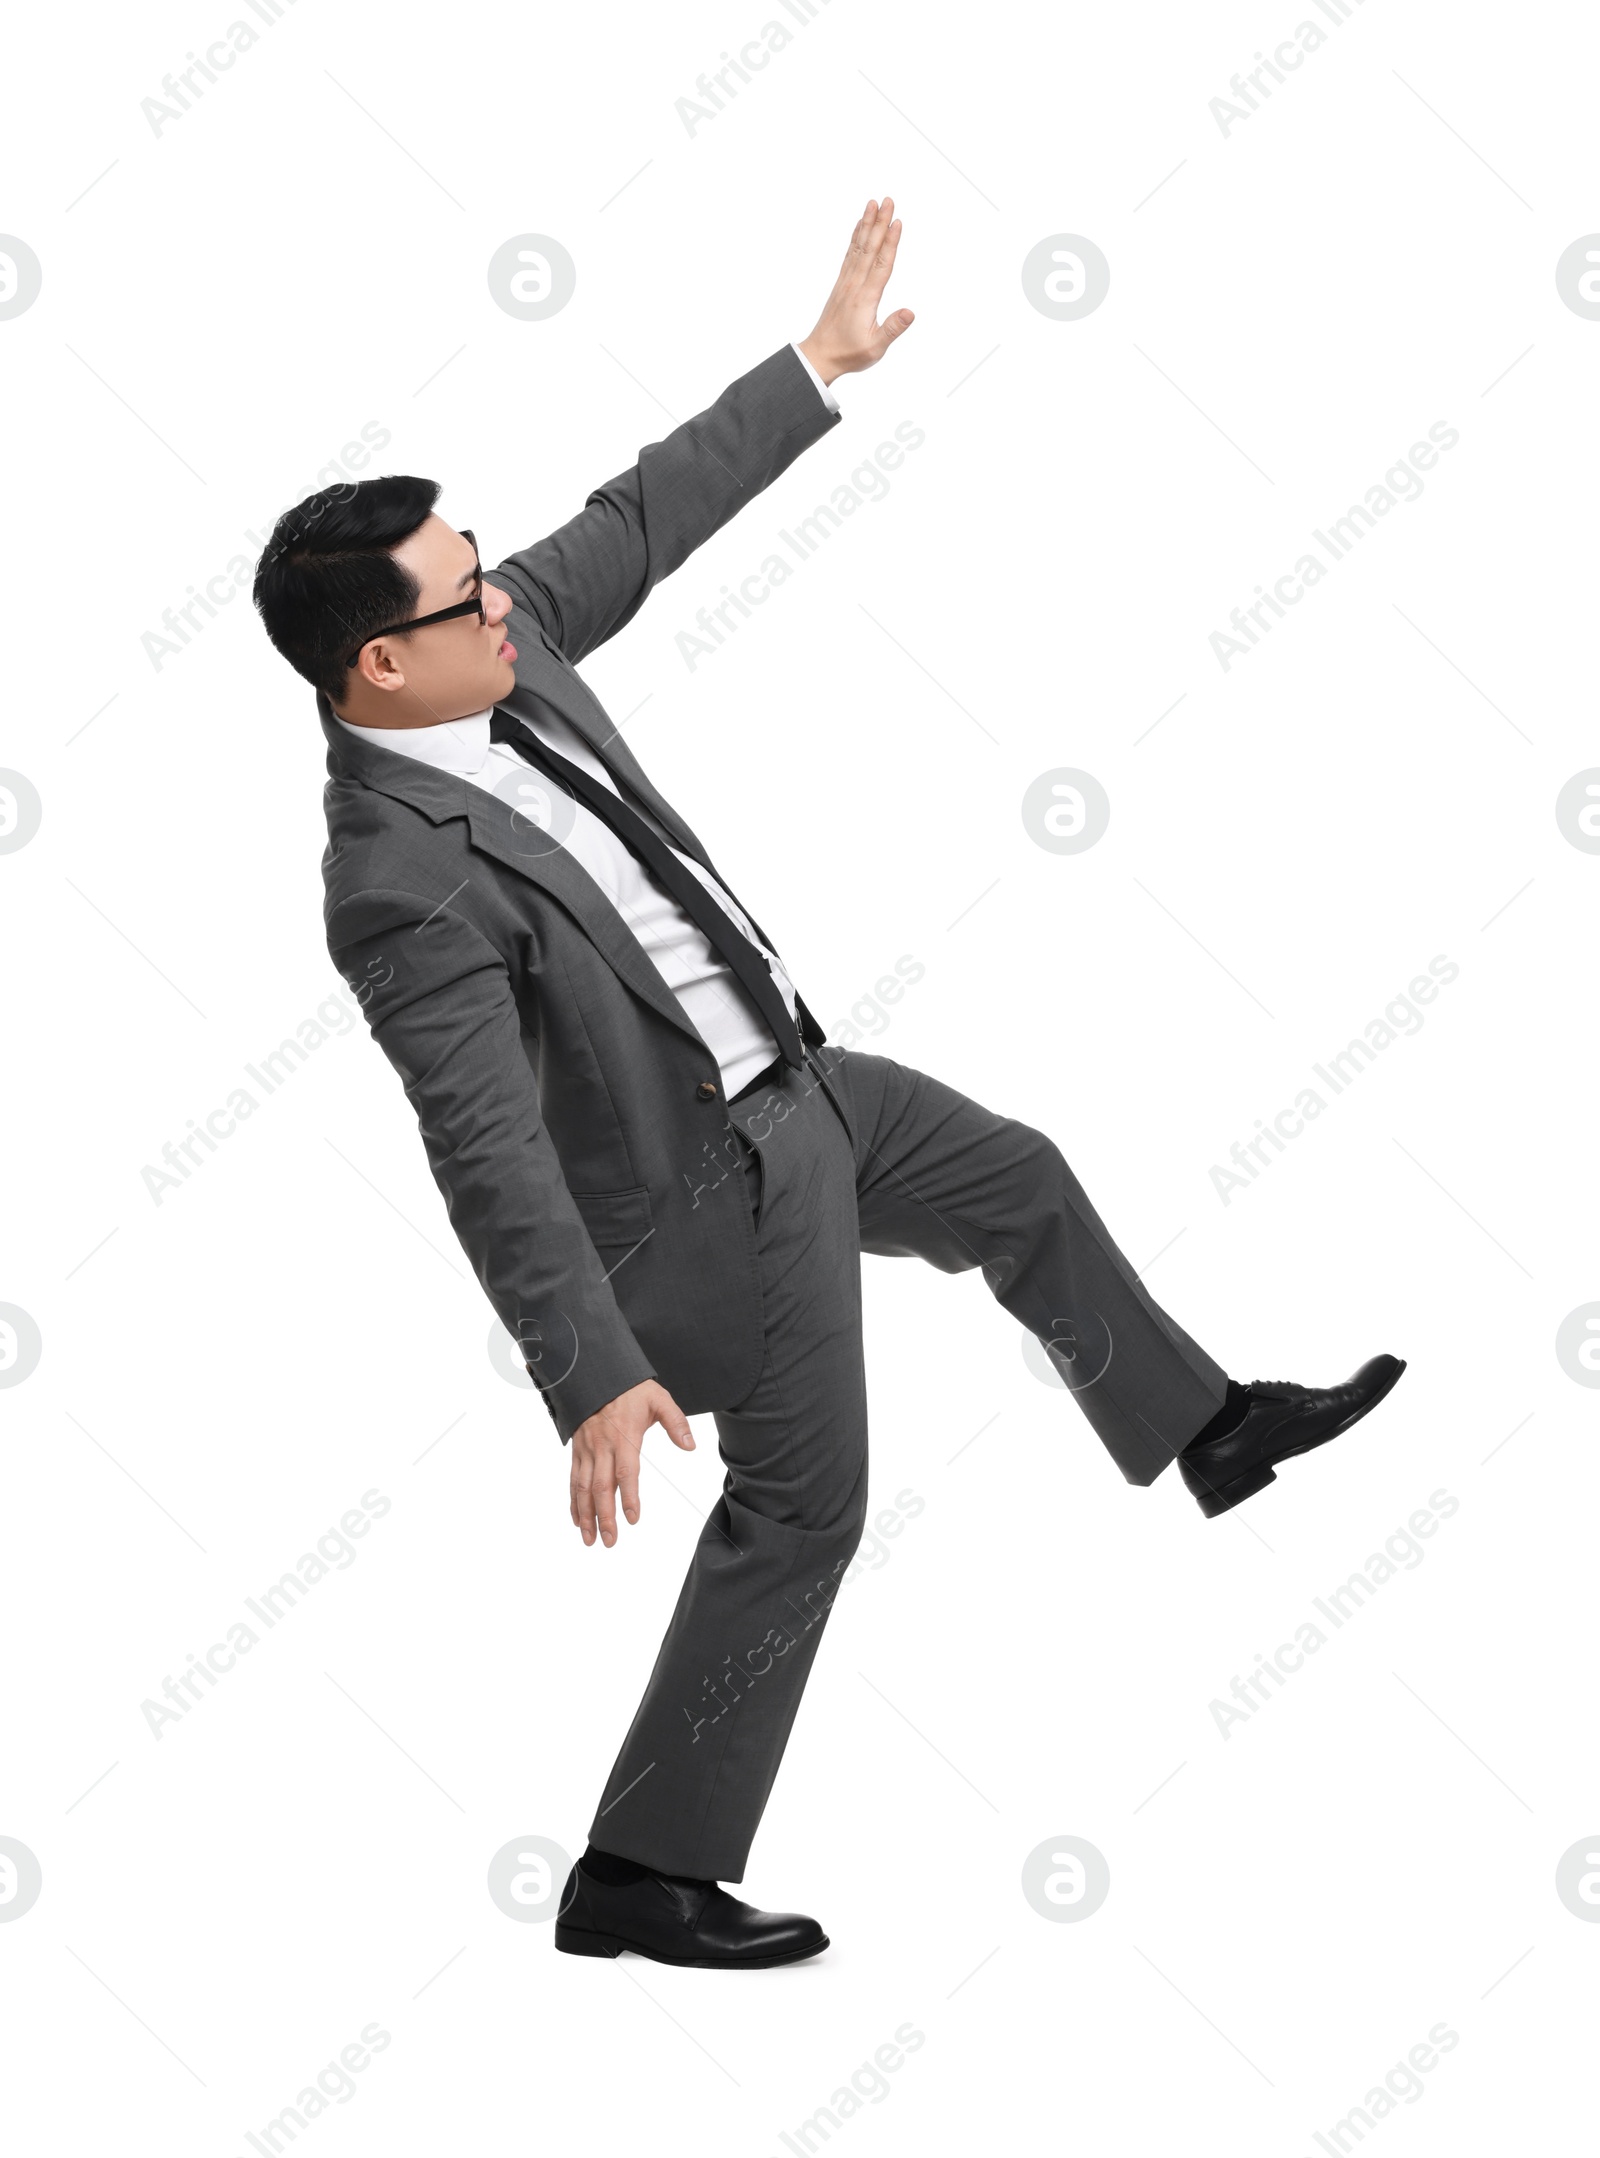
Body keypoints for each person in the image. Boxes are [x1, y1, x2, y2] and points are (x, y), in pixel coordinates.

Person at [252, 199, 1405, 1970]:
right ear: (378, 666)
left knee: (1015, 1177)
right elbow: (485, 1148)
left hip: (803, 1077)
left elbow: (639, 514)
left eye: (485, 562)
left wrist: (817, 364)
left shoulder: (511, 642)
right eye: (464, 589)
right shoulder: (391, 878)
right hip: (708, 1186)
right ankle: (638, 1871)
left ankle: (1204, 1427)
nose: (504, 590)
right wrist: (593, 1371)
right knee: (807, 1505)